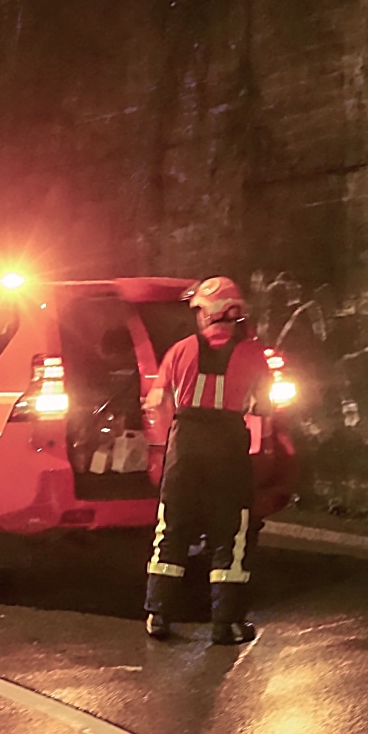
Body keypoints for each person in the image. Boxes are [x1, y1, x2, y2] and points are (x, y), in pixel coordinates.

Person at [141, 276, 272, 646]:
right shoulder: (253, 354)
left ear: (208, 313)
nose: (198, 316)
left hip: (184, 447)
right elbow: (266, 407)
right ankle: (226, 623)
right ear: (233, 313)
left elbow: (155, 403)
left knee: (172, 531)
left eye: (199, 310)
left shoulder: (179, 351)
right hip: (229, 448)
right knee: (230, 535)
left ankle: (158, 616)